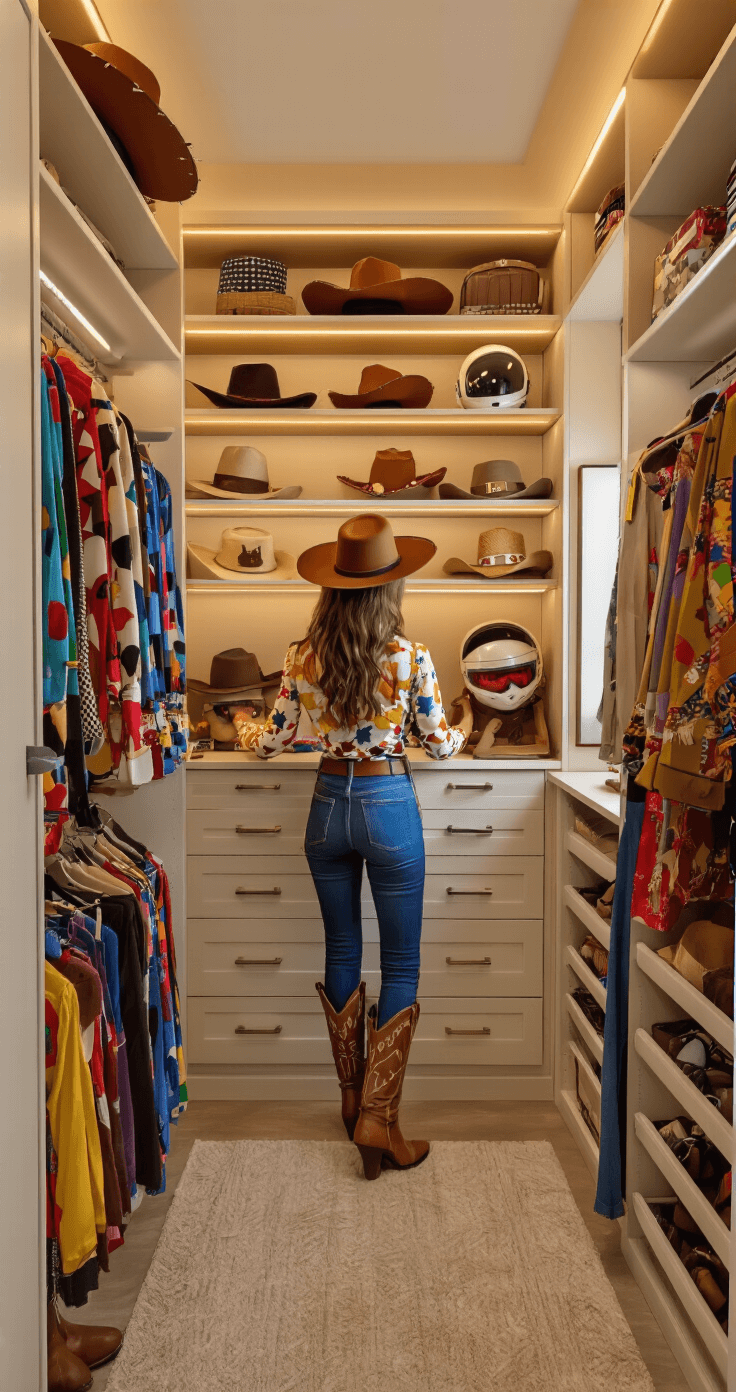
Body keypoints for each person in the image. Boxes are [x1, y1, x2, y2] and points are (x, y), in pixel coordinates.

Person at [232, 514, 473, 1181]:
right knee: (401, 967)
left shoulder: (301, 655)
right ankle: (380, 1117)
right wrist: (463, 729)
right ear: (388, 588)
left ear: (332, 589)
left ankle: (349, 1102)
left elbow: (275, 739)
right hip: (387, 803)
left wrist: (249, 732)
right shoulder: (410, 656)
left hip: (326, 806)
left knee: (341, 949)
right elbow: (435, 738)